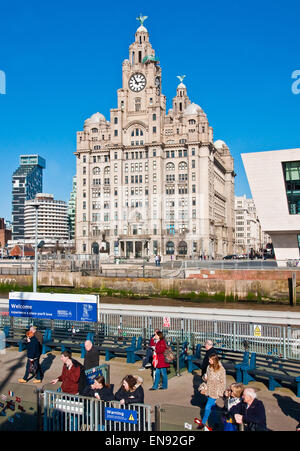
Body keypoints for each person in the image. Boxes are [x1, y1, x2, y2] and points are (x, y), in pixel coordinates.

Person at [197, 354, 226, 430]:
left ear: (214, 360)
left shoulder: (221, 370)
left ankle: (203, 423)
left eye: (210, 360)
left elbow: (223, 382)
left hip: (215, 391)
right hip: (208, 390)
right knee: (212, 408)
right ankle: (216, 422)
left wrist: (220, 393)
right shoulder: (208, 367)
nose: (209, 361)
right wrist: (205, 378)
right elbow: (205, 377)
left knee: (207, 407)